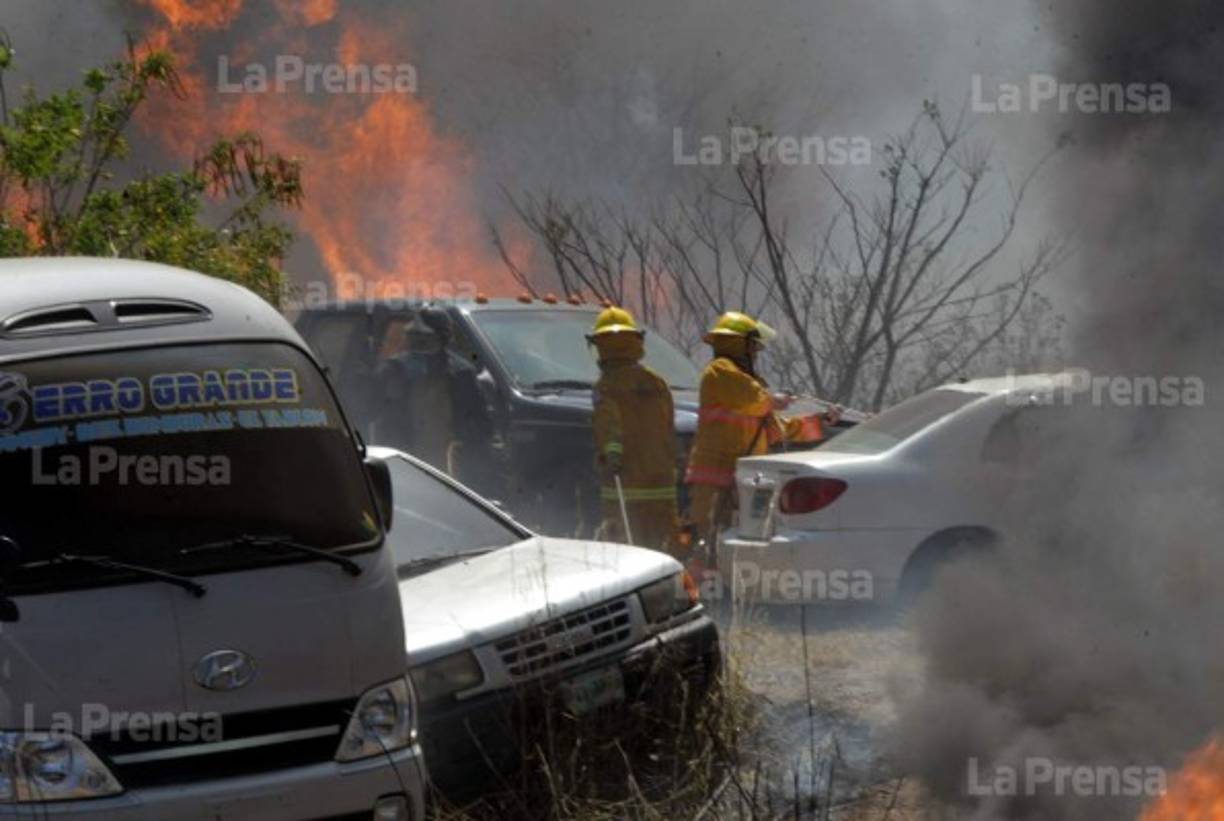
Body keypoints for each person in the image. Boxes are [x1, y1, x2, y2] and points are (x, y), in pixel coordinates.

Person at [685, 311, 839, 555]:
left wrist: (819, 423)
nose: (756, 353)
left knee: (737, 549)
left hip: (743, 483)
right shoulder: (719, 371)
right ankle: (700, 580)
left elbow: (777, 429)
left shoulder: (747, 383)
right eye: (753, 347)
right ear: (741, 344)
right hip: (715, 482)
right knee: (708, 546)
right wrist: (773, 400)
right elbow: (753, 401)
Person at [587, 307, 680, 555]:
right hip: (662, 485)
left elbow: (608, 426)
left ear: (600, 345)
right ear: (636, 341)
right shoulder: (657, 382)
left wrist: (611, 456)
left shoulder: (606, 386)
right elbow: (668, 425)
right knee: (664, 552)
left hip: (625, 488)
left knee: (627, 555)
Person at [374, 307, 493, 487]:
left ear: (441, 338)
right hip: (405, 462)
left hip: (449, 466)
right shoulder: (394, 370)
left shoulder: (461, 373)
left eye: (423, 338)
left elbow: (480, 424)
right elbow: (375, 412)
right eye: (414, 337)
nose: (416, 344)